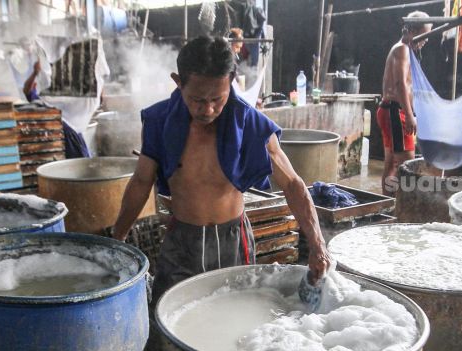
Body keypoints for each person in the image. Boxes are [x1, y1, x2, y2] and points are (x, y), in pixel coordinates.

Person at [112, 36, 330, 303]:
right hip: (182, 240)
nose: (208, 109)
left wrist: (317, 244)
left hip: (233, 241)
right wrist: (118, 238)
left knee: (234, 316)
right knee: (168, 315)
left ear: (231, 83)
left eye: (218, 98)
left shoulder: (249, 123)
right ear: (178, 82)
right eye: (197, 100)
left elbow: (293, 184)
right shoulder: (159, 122)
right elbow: (140, 182)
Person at [377, 11, 432, 196]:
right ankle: (402, 205)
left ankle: (388, 204)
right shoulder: (402, 49)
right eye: (424, 34)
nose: (426, 40)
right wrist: (409, 115)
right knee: (407, 165)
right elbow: (400, 83)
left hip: (389, 109)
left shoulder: (403, 50)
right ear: (412, 31)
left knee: (391, 162)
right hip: (395, 110)